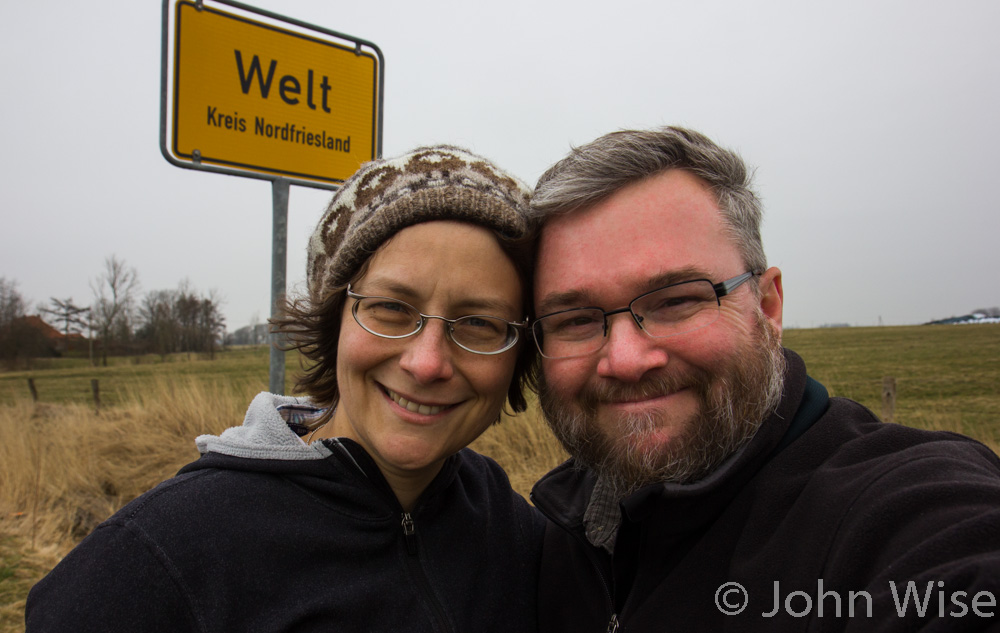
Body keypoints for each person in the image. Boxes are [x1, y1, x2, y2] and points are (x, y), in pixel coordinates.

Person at [26, 145, 543, 632]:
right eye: (391, 308)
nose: (427, 363)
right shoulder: (159, 557)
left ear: (517, 354)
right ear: (334, 320)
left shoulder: (512, 527)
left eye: (478, 322)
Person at [527, 126, 1000, 632]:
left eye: (677, 300)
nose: (624, 360)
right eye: (575, 319)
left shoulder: (897, 510)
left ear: (768, 306)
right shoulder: (548, 536)